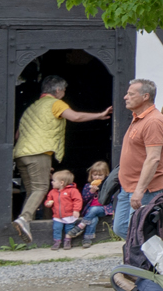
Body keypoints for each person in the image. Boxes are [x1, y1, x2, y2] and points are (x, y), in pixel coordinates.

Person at [10, 75, 109, 241]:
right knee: (41, 188)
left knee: (32, 191)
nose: (64, 92)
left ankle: (27, 225)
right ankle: (25, 218)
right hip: (38, 152)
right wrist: (99, 115)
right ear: (57, 90)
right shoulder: (55, 103)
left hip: (21, 154)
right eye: (63, 90)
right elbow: (75, 117)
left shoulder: (32, 107)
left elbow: (17, 134)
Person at [117, 77, 163, 246]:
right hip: (128, 186)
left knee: (139, 232)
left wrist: (139, 191)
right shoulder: (139, 118)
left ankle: (142, 267)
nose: (125, 97)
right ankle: (142, 257)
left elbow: (153, 158)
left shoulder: (153, 121)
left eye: (130, 94)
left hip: (145, 188)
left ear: (145, 97)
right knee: (121, 228)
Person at [44, 168, 88, 247]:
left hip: (69, 215)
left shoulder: (72, 191)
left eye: (54, 181)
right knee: (57, 228)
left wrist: (76, 210)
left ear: (61, 183)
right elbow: (49, 199)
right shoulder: (52, 192)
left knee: (69, 229)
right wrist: (47, 203)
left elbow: (78, 200)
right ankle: (57, 242)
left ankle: (67, 242)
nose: (52, 182)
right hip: (57, 216)